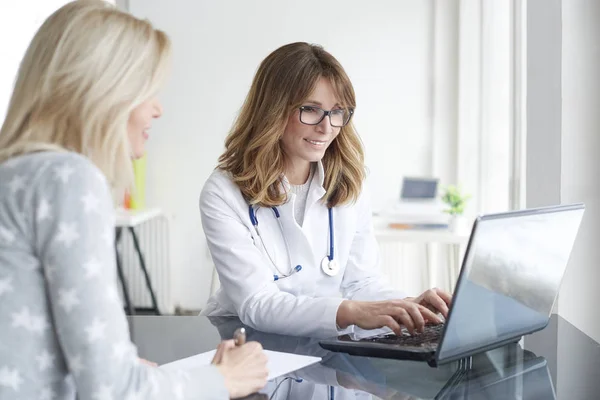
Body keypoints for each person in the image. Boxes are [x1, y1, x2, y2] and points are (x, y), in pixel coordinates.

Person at [0, 1, 267, 399]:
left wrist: (113, 366)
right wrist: (223, 381)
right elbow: (113, 391)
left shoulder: (17, 174)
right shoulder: (68, 179)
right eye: (149, 91)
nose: (158, 109)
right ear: (105, 90)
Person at [200, 42, 452, 339]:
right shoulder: (224, 192)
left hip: (323, 340)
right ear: (272, 109)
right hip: (247, 339)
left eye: (336, 112)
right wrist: (349, 312)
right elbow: (257, 303)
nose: (327, 127)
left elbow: (362, 283)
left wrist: (404, 306)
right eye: (310, 110)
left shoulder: (350, 182)